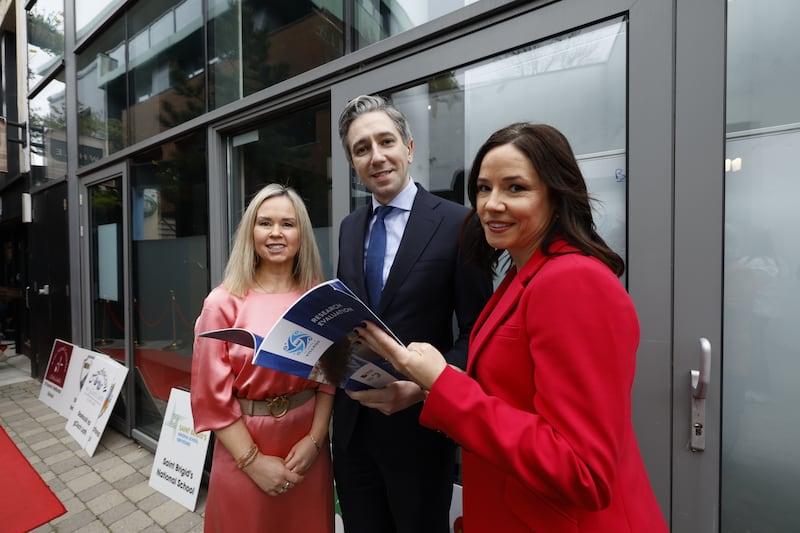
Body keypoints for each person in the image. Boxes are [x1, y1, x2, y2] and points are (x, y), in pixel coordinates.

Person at [354, 123, 669, 532]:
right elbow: (511, 393)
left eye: (515, 188)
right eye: (484, 189)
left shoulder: (572, 280)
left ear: (557, 195)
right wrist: (428, 385)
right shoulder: (521, 276)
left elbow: (580, 469)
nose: (491, 205)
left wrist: (441, 381)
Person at [333, 94, 493, 533]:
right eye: (361, 148)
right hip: (351, 434)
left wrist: (425, 388)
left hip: (420, 435)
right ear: (352, 162)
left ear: (408, 148)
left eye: (385, 141)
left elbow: (479, 333)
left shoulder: (460, 224)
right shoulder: (349, 229)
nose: (376, 156)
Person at [191, 183, 334, 533]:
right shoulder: (222, 303)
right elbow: (211, 398)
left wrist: (316, 442)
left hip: (307, 447)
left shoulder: (319, 296)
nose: (276, 233)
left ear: (301, 233)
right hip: (243, 449)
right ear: (250, 232)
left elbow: (331, 379)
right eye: (264, 222)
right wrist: (253, 463)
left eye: (288, 223)